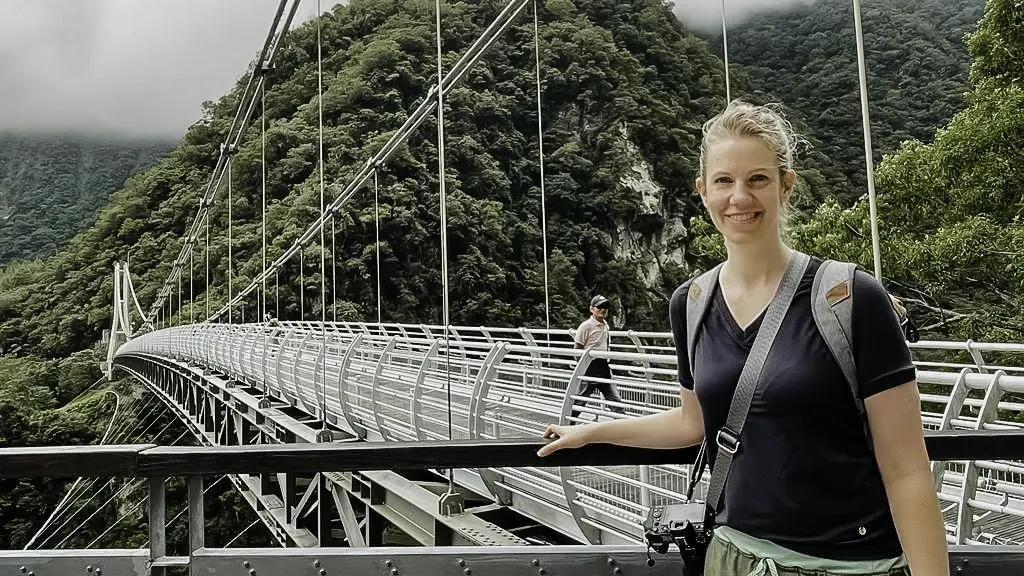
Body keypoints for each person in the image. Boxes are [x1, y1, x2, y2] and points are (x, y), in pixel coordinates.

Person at [539, 101, 948, 575]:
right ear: (702, 191)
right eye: (723, 181)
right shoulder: (691, 303)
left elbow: (907, 470)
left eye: (757, 179)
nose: (740, 197)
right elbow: (693, 423)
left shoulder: (849, 297)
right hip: (735, 557)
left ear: (785, 185)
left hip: (849, 563)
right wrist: (590, 432)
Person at [569, 295, 625, 421]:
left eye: (605, 307)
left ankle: (623, 429)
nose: (603, 310)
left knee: (616, 402)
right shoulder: (586, 326)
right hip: (590, 367)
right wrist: (582, 367)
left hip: (604, 367)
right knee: (580, 401)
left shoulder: (605, 325)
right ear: (591, 309)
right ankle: (566, 424)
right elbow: (577, 348)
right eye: (599, 307)